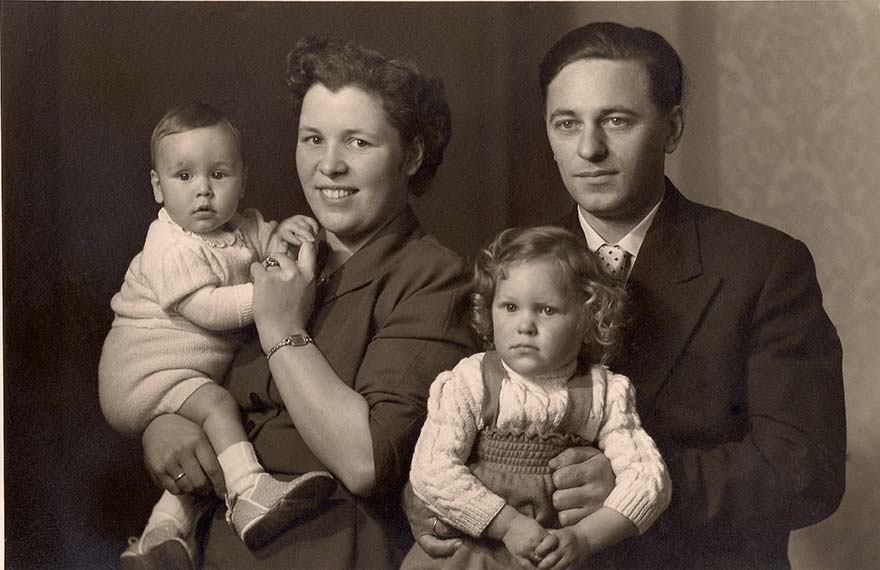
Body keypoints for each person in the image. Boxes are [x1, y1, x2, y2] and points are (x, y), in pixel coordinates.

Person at [412, 21, 846, 569]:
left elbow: (806, 470)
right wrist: (429, 506)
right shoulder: (510, 269)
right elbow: (452, 432)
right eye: (567, 123)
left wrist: (637, 487)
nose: (589, 149)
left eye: (617, 121)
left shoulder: (763, 265)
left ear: (672, 129)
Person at [135, 38, 476, 570]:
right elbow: (191, 365)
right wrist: (164, 423)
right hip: (214, 550)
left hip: (332, 553)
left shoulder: (435, 278)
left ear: (411, 156)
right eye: (313, 139)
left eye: (358, 143)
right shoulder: (266, 249)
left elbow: (366, 462)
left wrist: (280, 329)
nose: (329, 165)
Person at [99, 102, 337, 568]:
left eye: (219, 174)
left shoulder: (241, 226)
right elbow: (206, 308)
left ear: (242, 181)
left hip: (186, 367)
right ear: (158, 187)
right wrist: (270, 299)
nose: (203, 190)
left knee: (207, 440)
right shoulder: (168, 245)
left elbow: (265, 246)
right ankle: (249, 493)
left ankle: (161, 535)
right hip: (143, 371)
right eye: (184, 176)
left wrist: (284, 236)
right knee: (217, 406)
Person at [403, 226, 671, 570]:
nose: (525, 325)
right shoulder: (471, 380)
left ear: (587, 318)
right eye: (510, 306)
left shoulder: (604, 393)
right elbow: (431, 470)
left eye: (546, 310)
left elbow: (649, 481)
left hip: (558, 554)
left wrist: (584, 538)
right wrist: (507, 525)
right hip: (473, 552)